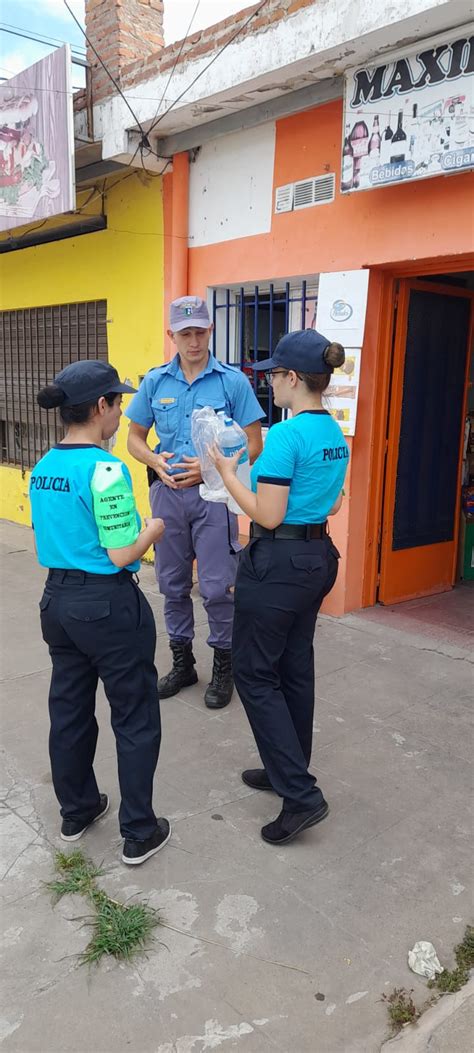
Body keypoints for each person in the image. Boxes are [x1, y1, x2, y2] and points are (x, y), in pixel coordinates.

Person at [209, 328, 349, 846]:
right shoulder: (331, 432)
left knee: (253, 672)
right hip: (316, 559)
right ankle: (285, 766)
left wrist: (228, 473)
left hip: (278, 564)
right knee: (293, 666)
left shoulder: (288, 436)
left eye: (273, 373)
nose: (269, 381)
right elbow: (333, 503)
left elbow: (267, 512)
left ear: (293, 378)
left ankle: (301, 794)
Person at [30, 360, 170, 866]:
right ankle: (138, 831)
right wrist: (153, 530)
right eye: (117, 402)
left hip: (58, 604)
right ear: (99, 407)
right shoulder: (106, 469)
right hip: (107, 605)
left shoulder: (45, 466)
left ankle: (77, 810)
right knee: (134, 714)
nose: (120, 412)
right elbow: (121, 553)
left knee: (68, 709)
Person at [126, 296, 265, 709]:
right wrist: (154, 459)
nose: (194, 341)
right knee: (171, 585)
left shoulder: (232, 383)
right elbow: (134, 438)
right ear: (172, 335)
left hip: (213, 499)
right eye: (185, 333)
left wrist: (208, 468)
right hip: (167, 496)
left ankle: (225, 665)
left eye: (200, 332)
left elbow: (254, 444)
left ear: (210, 332)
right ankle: (182, 662)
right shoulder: (155, 382)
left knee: (219, 587)